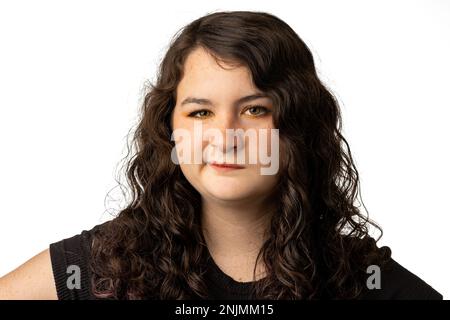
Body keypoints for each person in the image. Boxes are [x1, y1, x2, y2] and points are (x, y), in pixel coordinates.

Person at [0, 10, 442, 300]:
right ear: (170, 130)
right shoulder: (106, 265)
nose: (225, 135)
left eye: (255, 109)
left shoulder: (364, 283)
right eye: (201, 111)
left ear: (298, 127)